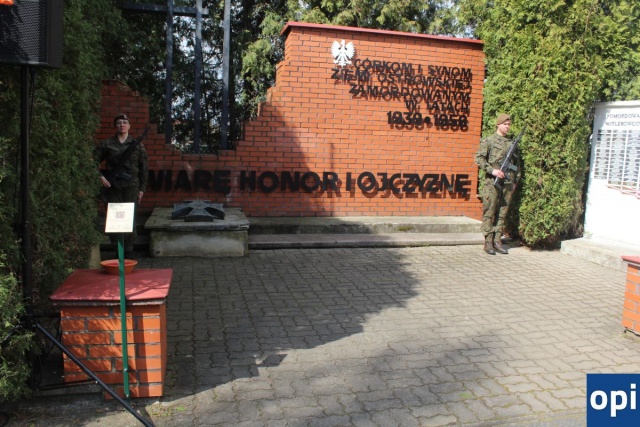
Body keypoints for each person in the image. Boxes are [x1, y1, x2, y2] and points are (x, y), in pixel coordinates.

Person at [94, 113, 149, 259]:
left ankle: (128, 252)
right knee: (114, 220)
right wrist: (100, 176)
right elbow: (92, 162)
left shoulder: (137, 145)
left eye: (124, 122)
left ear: (129, 126)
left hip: (131, 187)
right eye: (119, 123)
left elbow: (144, 168)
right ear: (115, 126)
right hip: (113, 188)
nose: (122, 125)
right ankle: (117, 251)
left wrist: (142, 189)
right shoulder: (107, 144)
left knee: (129, 219)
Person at [474, 113, 521, 255]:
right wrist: (492, 171)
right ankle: (488, 241)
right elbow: (479, 158)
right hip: (492, 183)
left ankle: (497, 240)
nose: (507, 127)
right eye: (505, 124)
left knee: (502, 213)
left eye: (509, 124)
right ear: (498, 125)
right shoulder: (489, 141)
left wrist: (515, 181)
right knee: (489, 211)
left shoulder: (511, 144)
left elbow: (517, 165)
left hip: (507, 183)